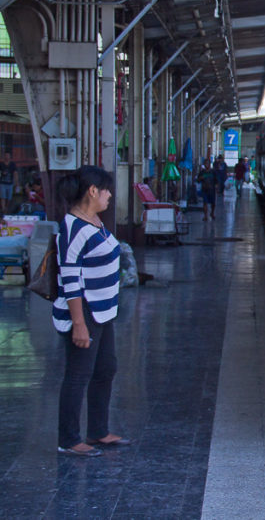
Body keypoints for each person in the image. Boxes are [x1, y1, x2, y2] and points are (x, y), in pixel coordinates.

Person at [52, 165, 129, 457]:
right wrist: (78, 324)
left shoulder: (94, 220)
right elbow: (70, 281)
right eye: (107, 190)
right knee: (78, 375)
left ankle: (98, 430)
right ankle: (69, 439)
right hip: (83, 311)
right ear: (93, 191)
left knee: (105, 368)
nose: (110, 195)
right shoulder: (72, 228)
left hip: (103, 310)